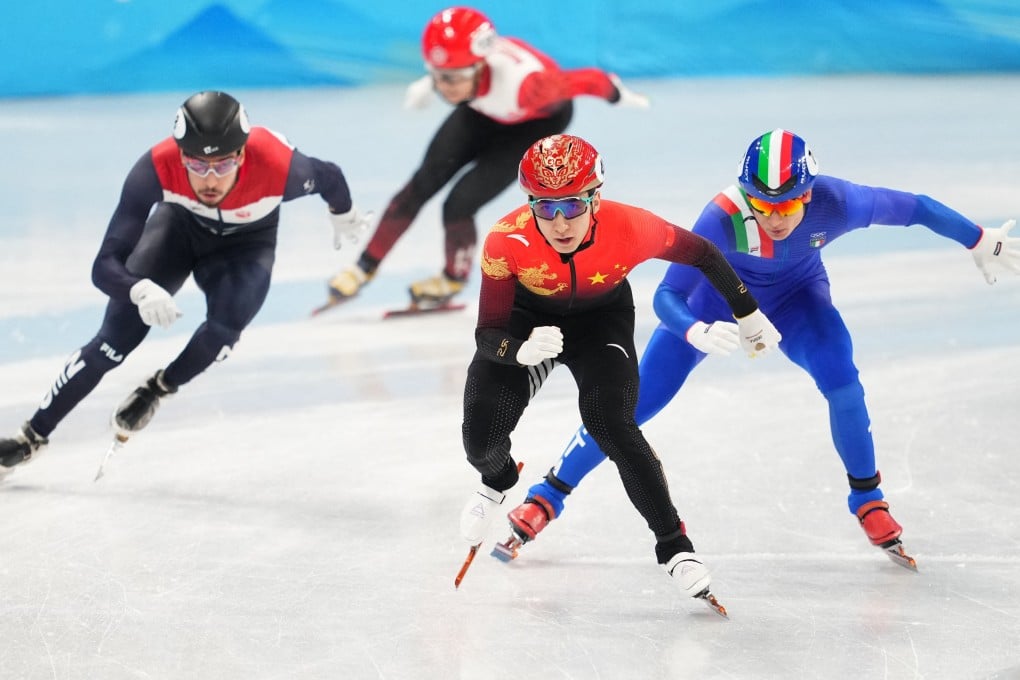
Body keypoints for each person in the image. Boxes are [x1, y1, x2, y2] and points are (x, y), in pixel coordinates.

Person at [505, 128, 1020, 569]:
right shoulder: (722, 217)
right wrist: (694, 331)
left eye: (788, 205)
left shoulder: (840, 202)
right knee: (629, 409)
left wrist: (979, 238)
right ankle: (547, 495)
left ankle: (868, 499)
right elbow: (667, 295)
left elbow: (918, 208)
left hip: (798, 301)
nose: (774, 218)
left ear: (809, 195)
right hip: (713, 303)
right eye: (762, 204)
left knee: (844, 384)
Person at [457, 133, 782, 603]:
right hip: (525, 323)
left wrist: (747, 313)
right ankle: (498, 481)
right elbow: (488, 333)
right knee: (480, 441)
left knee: (611, 423)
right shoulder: (506, 240)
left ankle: (675, 546)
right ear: (530, 205)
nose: (559, 222)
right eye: (545, 208)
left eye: (572, 205)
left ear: (595, 197)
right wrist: (519, 349)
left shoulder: (630, 226)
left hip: (600, 323)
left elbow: (705, 254)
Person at [0, 90, 370, 478]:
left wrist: (343, 213)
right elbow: (103, 266)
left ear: (241, 155)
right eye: (195, 163)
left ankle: (158, 388)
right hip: (178, 229)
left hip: (247, 245)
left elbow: (331, 177)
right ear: (180, 156)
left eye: (222, 163)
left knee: (225, 327)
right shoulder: (155, 166)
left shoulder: (281, 167)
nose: (210, 178)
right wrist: (138, 289)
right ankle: (31, 437)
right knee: (113, 340)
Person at [325, 6, 650, 309]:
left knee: (459, 204)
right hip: (482, 109)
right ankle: (363, 267)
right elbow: (450, 68)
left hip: (534, 122)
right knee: (421, 184)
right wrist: (430, 83)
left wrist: (618, 94)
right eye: (438, 76)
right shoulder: (465, 71)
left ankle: (452, 278)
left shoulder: (530, 87)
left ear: (480, 66)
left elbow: (589, 80)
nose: (445, 88)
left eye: (451, 79)